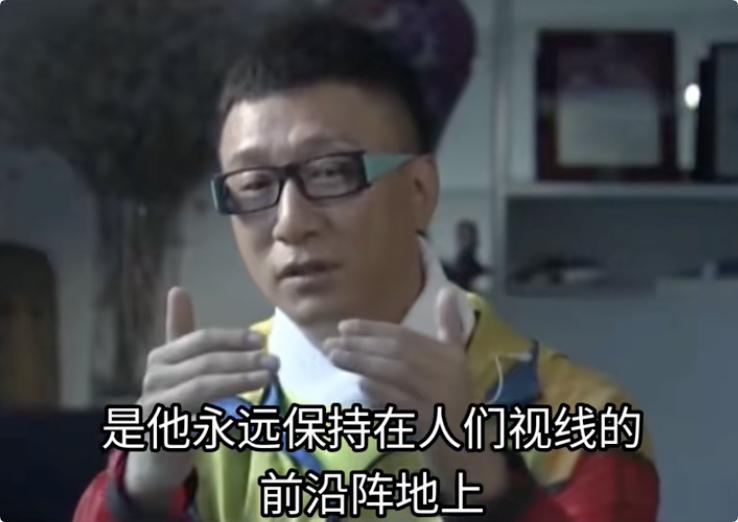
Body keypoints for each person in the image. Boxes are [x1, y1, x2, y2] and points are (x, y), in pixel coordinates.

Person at [73, 11, 659, 522]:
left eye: (331, 172)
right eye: (253, 184)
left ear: (420, 190)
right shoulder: (199, 412)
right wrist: (138, 496)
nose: (289, 222)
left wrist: (490, 491)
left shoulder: (577, 416)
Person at [443, 219, 491, 291]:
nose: (462, 242)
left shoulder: (478, 273)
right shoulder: (450, 269)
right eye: (460, 237)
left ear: (475, 240)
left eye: (465, 237)